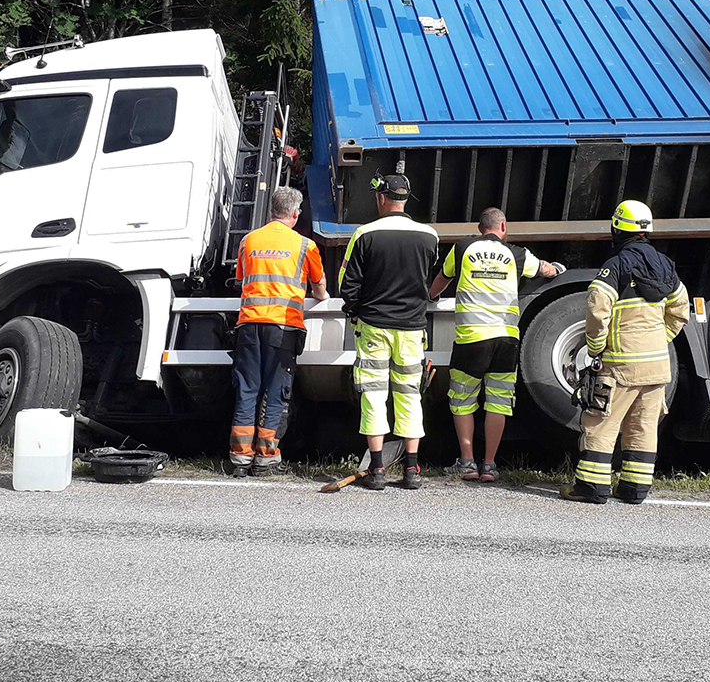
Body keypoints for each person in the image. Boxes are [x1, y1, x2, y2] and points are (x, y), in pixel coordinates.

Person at [561, 200, 690, 505]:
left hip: (621, 364)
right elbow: (680, 310)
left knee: (601, 421)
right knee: (643, 426)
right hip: (657, 365)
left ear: (617, 228)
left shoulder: (617, 264)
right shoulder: (665, 265)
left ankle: (592, 486)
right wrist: (661, 337)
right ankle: (634, 489)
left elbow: (597, 305)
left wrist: (595, 347)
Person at [428, 207, 563, 482]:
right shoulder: (517, 254)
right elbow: (545, 270)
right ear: (503, 227)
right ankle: (489, 465)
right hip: (506, 340)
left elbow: (443, 277)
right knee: (499, 402)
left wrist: (431, 295)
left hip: (471, 339)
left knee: (463, 400)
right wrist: (558, 268)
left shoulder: (463, 248)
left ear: (480, 229)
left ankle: (466, 462)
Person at [338, 173, 440, 490]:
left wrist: (355, 309)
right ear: (406, 199)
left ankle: (378, 470)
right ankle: (411, 470)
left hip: (373, 327)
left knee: (374, 395)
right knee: (410, 395)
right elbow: (427, 277)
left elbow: (346, 284)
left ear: (381, 198)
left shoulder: (364, 234)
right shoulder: (429, 236)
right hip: (412, 328)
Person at [229, 185, 327, 477]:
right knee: (276, 391)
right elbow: (319, 289)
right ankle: (266, 457)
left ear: (272, 210)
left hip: (248, 324)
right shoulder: (304, 246)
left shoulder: (248, 241)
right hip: (283, 327)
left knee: (247, 389)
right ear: (295, 213)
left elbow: (242, 278)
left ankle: (239, 457)